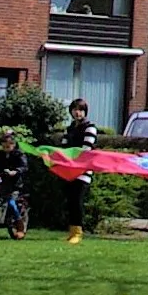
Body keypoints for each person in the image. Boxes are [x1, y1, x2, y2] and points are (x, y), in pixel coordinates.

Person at [62, 97, 97, 243]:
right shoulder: (69, 129)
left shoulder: (90, 128)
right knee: (70, 201)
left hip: (83, 171)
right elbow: (63, 147)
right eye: (75, 109)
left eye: (81, 110)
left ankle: (78, 232)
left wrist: (74, 159)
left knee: (77, 200)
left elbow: (86, 149)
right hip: (69, 170)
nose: (78, 113)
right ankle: (72, 231)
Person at [0, 128, 29, 238]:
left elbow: (24, 167)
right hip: (0, 182)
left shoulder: (19, 155)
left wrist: (15, 172)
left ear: (14, 144)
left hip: (15, 184)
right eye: (4, 144)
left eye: (9, 144)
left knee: (11, 203)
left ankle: (20, 226)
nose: (6, 146)